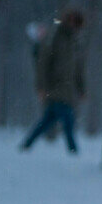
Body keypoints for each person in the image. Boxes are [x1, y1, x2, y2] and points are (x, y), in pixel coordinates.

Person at [20, 10, 85, 154]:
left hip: (66, 90)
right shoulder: (55, 37)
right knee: (68, 120)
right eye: (73, 22)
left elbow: (77, 68)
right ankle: (73, 151)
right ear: (68, 21)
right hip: (55, 88)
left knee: (47, 121)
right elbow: (43, 64)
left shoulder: (74, 42)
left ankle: (26, 145)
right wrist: (41, 87)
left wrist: (81, 89)